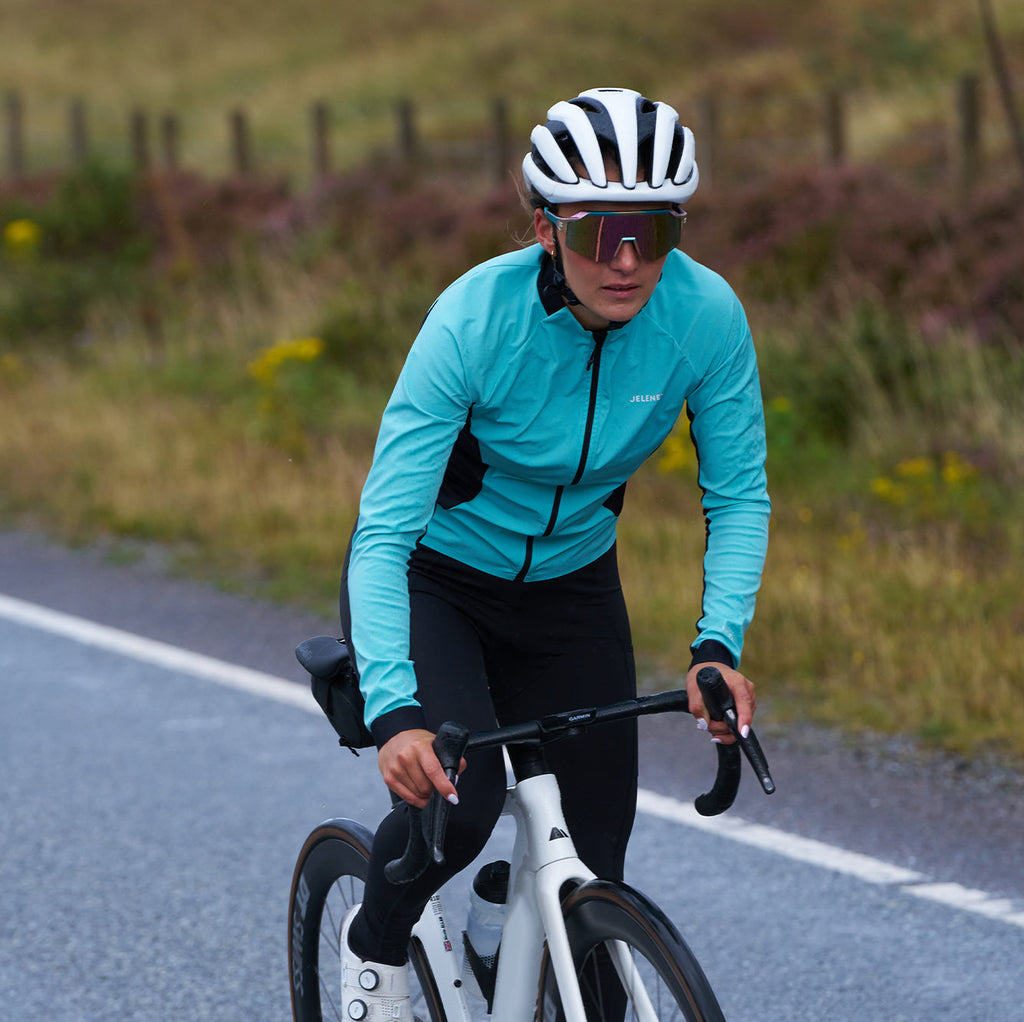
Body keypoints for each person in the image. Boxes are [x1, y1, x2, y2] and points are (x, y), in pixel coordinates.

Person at [337, 86, 770, 1019]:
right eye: (598, 232)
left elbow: (737, 495)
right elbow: (382, 534)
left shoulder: (705, 317)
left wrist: (717, 646)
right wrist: (394, 712)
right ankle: (373, 946)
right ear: (544, 228)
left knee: (593, 863)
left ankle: (509, 921)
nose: (626, 261)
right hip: (439, 579)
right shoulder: (472, 321)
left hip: (572, 584)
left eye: (652, 234)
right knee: (460, 810)